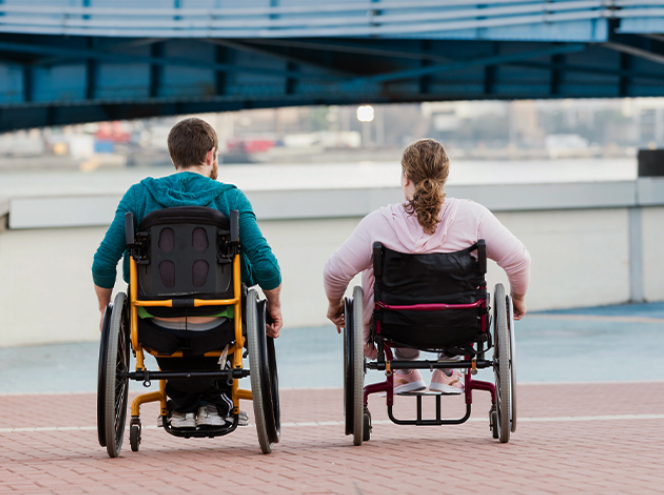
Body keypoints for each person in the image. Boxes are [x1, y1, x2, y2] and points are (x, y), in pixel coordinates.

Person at [92, 117, 283, 428]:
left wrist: (105, 310)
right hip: (220, 324)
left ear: (172, 157)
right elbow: (264, 263)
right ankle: (211, 402)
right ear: (211, 155)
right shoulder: (230, 198)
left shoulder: (138, 196)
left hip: (154, 325)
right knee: (243, 292)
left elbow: (103, 262)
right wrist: (273, 306)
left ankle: (181, 405)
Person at [324, 139, 531, 394]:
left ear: (406, 177)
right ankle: (448, 366)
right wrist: (518, 298)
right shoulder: (473, 216)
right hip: (460, 324)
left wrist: (335, 306)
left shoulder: (379, 223)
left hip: (396, 326)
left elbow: (335, 271)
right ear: (445, 176)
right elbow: (519, 259)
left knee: (374, 275)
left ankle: (404, 366)